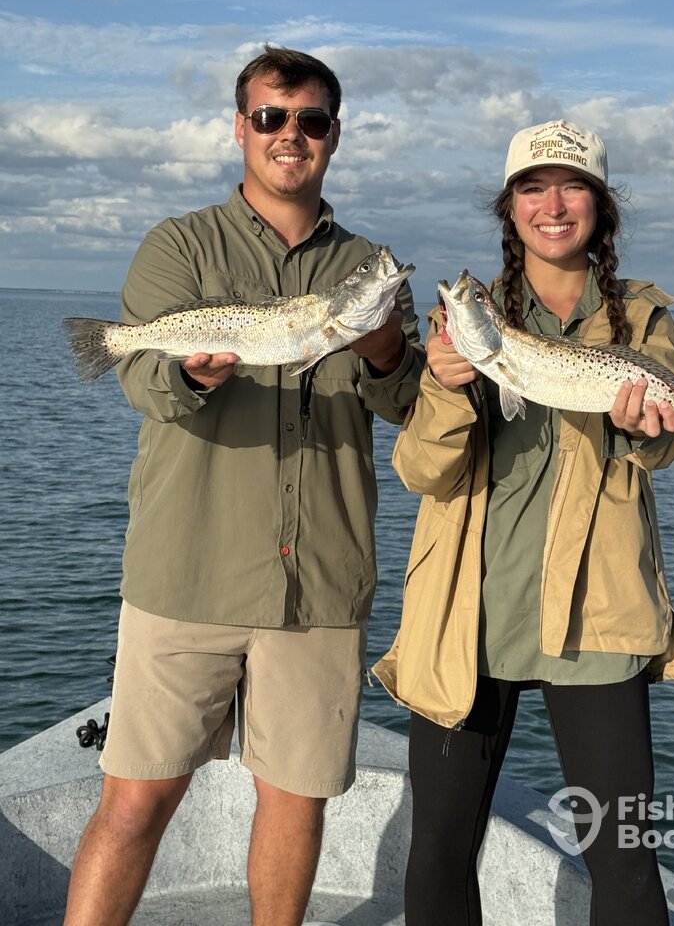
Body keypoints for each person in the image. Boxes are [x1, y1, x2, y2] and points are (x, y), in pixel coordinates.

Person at [64, 46, 425, 926]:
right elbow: (143, 385)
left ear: (333, 134)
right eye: (272, 117)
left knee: (296, 802)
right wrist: (188, 372)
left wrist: (384, 350)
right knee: (136, 800)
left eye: (311, 120)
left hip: (321, 581)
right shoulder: (179, 244)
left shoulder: (368, 267)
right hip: (186, 572)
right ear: (241, 128)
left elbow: (410, 404)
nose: (290, 135)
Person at [373, 119, 674, 926]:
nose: (553, 205)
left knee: (625, 862)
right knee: (440, 851)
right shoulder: (463, 322)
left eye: (573, 186)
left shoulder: (643, 319)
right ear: (509, 209)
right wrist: (446, 385)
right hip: (466, 612)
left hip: (598, 615)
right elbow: (422, 471)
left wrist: (648, 427)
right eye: (533, 189)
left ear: (601, 207)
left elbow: (663, 450)